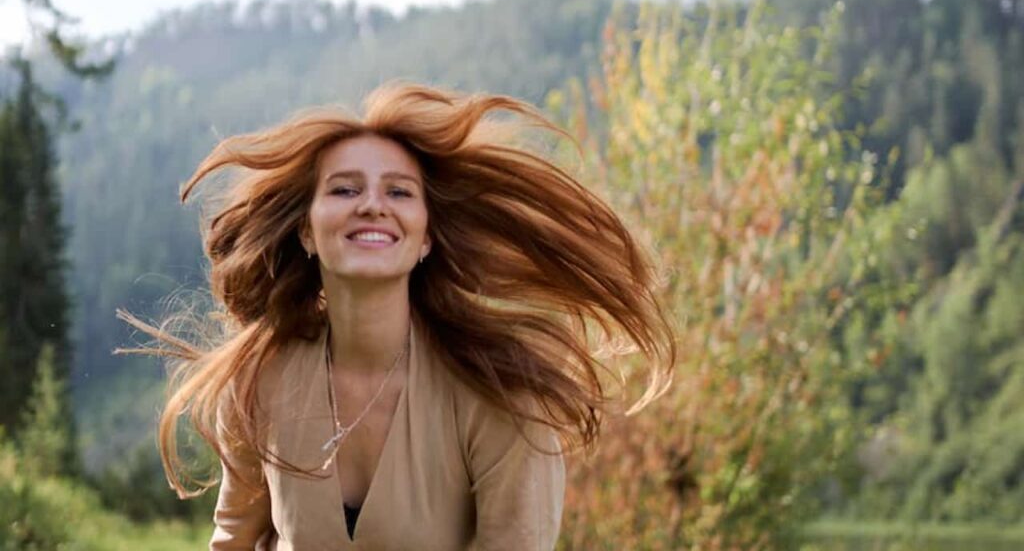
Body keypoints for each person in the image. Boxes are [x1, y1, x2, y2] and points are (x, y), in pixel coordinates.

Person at [120, 83, 675, 550]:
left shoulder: (505, 395)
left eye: (399, 191)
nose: (371, 204)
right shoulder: (258, 379)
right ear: (308, 231)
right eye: (343, 188)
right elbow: (233, 541)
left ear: (426, 236)